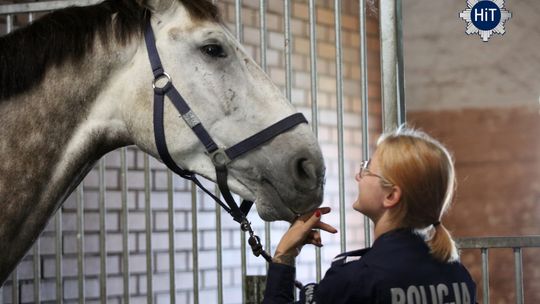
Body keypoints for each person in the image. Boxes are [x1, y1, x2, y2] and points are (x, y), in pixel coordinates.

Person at [263, 126, 477, 304]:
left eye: (367, 169)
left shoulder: (355, 279)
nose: (358, 176)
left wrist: (284, 254)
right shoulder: (458, 275)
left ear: (391, 195)